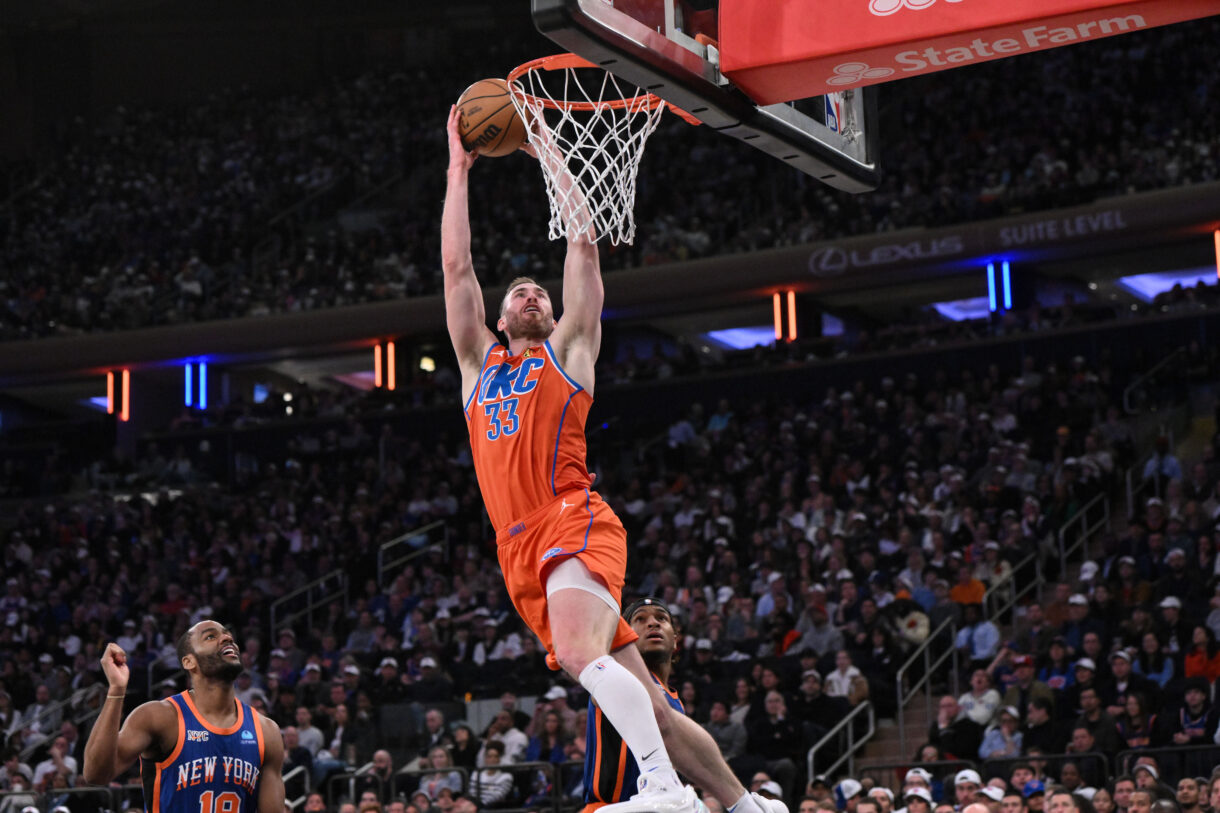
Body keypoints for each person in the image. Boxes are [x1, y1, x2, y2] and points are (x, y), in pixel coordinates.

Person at [442, 108, 780, 813]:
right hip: (518, 545)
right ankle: (744, 806)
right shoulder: (477, 369)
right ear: (500, 319)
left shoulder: (568, 355)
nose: (531, 294)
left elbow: (583, 246)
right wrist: (458, 168)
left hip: (571, 515)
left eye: (539, 292)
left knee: (575, 654)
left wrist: (550, 156)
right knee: (651, 704)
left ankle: (662, 786)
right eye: (518, 294)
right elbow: (456, 268)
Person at [81, 621, 286, 813]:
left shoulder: (266, 731)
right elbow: (95, 774)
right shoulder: (160, 716)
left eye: (228, 636)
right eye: (210, 637)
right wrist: (116, 689)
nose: (226, 639)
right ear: (189, 662)